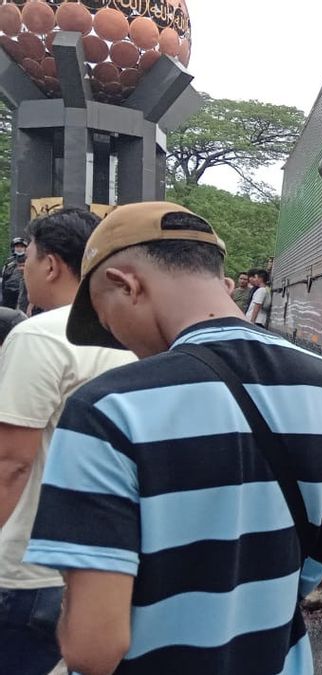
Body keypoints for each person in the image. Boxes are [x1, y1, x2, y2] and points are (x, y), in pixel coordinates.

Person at [23, 202, 322, 674]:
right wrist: (254, 569)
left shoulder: (106, 410)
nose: (117, 339)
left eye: (106, 319)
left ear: (126, 284)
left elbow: (93, 649)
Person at [0, 210, 135, 675]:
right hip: (102, 566)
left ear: (53, 265)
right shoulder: (132, 332)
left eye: (29, 260)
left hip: (26, 568)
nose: (25, 270)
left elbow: (10, 464)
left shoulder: (39, 335)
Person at [1, 237, 27, 309]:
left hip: (22, 294)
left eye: (22, 246)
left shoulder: (29, 261)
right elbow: (3, 279)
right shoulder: (9, 262)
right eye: (17, 246)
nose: (19, 248)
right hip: (8, 294)